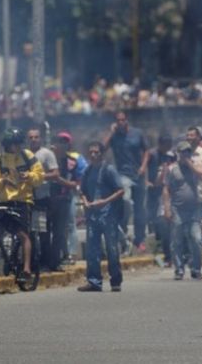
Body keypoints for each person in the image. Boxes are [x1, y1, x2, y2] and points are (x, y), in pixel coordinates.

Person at [0, 127, 45, 282]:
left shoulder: (27, 156)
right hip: (3, 201)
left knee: (23, 235)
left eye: (20, 143)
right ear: (7, 144)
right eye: (15, 144)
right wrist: (3, 181)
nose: (19, 147)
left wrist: (29, 176)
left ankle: (26, 269)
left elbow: (40, 177)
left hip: (23, 201)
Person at [78, 141, 124, 292]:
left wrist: (104, 201)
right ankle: (94, 281)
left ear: (101, 154)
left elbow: (120, 190)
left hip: (108, 215)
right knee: (92, 250)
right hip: (92, 216)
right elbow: (82, 190)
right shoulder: (87, 171)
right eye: (90, 152)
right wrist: (85, 202)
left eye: (96, 152)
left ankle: (115, 280)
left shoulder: (109, 170)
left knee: (111, 248)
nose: (93, 155)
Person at [103, 111, 148, 253]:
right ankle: (123, 236)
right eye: (118, 120)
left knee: (140, 210)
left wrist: (143, 166)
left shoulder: (137, 133)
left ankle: (139, 240)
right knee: (126, 202)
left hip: (138, 175)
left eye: (122, 120)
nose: (120, 122)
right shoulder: (115, 136)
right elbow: (102, 149)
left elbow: (146, 150)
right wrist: (111, 133)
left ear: (127, 121)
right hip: (123, 175)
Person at [162, 141, 202, 280]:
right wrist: (167, 209)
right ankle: (179, 269)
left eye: (188, 152)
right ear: (178, 153)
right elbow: (166, 189)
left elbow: (201, 175)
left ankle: (196, 269)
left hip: (194, 209)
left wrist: (189, 163)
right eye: (183, 152)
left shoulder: (195, 165)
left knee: (197, 239)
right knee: (176, 240)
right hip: (177, 209)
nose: (185, 154)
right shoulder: (171, 169)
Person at [48, 132, 83, 271]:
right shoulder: (48, 159)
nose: (62, 146)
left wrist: (60, 181)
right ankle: (58, 256)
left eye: (65, 143)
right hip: (48, 199)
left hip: (64, 199)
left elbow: (76, 183)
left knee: (65, 228)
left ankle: (67, 255)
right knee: (49, 231)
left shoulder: (72, 162)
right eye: (59, 143)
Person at [27, 127, 60, 271]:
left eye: (36, 137)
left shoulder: (47, 154)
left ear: (40, 138)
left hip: (42, 199)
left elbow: (55, 174)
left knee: (43, 233)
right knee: (29, 233)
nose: (34, 140)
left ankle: (46, 263)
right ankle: (33, 263)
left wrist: (38, 177)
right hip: (28, 199)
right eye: (31, 137)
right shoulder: (24, 154)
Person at [146, 133, 174, 265]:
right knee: (153, 217)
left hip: (164, 190)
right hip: (152, 190)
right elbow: (144, 167)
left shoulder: (169, 156)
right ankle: (158, 244)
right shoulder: (152, 154)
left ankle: (165, 249)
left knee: (162, 220)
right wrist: (146, 181)